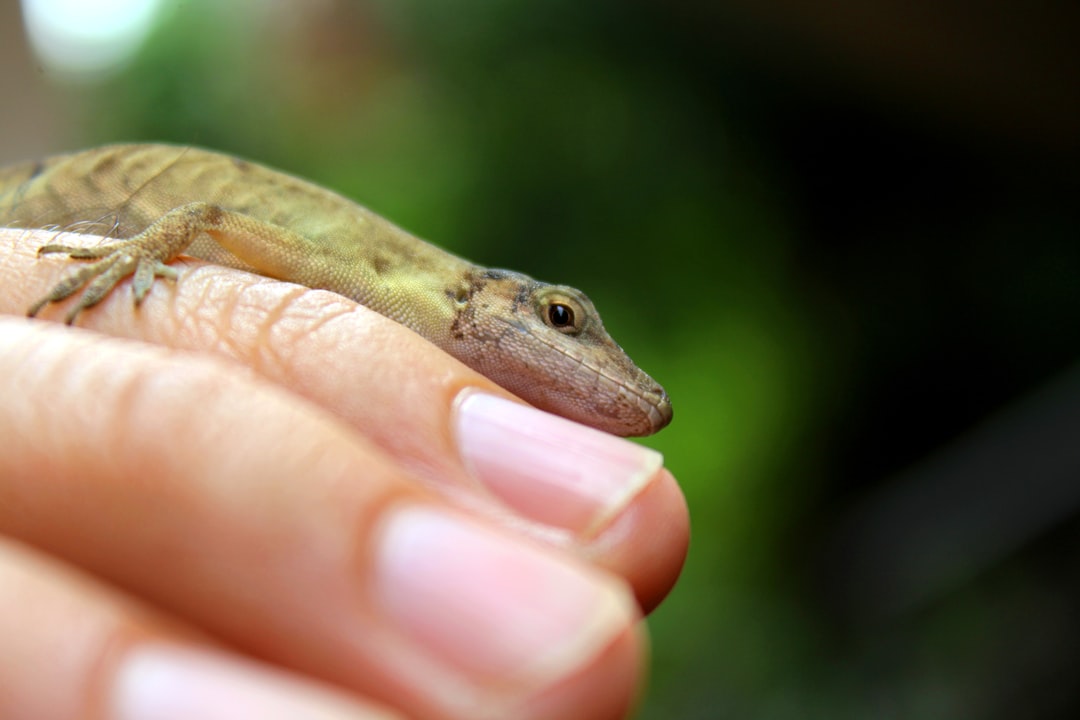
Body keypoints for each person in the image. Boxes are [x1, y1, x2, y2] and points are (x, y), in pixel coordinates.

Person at [0, 228, 689, 720]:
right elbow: (207, 218)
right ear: (480, 296)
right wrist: (143, 251)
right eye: (561, 319)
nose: (616, 377)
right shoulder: (371, 277)